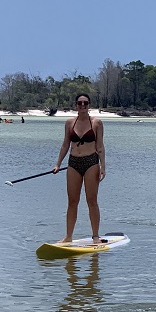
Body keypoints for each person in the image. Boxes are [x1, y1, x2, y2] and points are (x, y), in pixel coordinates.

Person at [53, 93, 106, 243]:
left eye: (85, 103)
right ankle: (68, 236)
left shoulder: (97, 123)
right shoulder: (69, 123)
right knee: (72, 201)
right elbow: (65, 145)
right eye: (80, 103)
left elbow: (100, 147)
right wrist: (58, 164)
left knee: (91, 200)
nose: (82, 106)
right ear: (75, 105)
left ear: (89, 105)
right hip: (73, 163)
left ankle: (95, 235)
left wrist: (103, 167)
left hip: (91, 163)